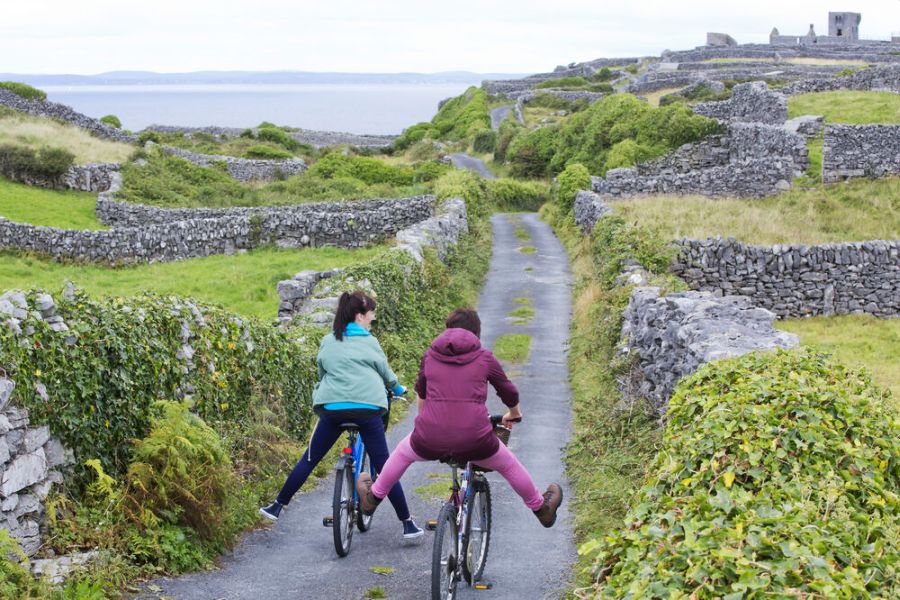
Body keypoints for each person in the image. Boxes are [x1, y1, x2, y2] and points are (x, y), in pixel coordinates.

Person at [356, 308, 563, 527]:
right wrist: (514, 413)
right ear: (476, 333)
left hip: (429, 437)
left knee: (402, 453)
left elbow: (422, 395)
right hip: (475, 439)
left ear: (448, 330)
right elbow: (508, 391)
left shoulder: (430, 355)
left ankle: (373, 498)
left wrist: (426, 426)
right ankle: (541, 509)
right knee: (508, 464)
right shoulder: (484, 357)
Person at [260, 290, 424, 540]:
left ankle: (277, 506)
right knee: (386, 467)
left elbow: (322, 370)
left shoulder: (329, 340)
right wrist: (398, 389)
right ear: (359, 316)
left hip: (333, 408)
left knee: (310, 458)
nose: (373, 319)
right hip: (367, 410)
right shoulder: (370, 342)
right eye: (371, 315)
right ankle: (408, 523)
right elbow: (386, 373)